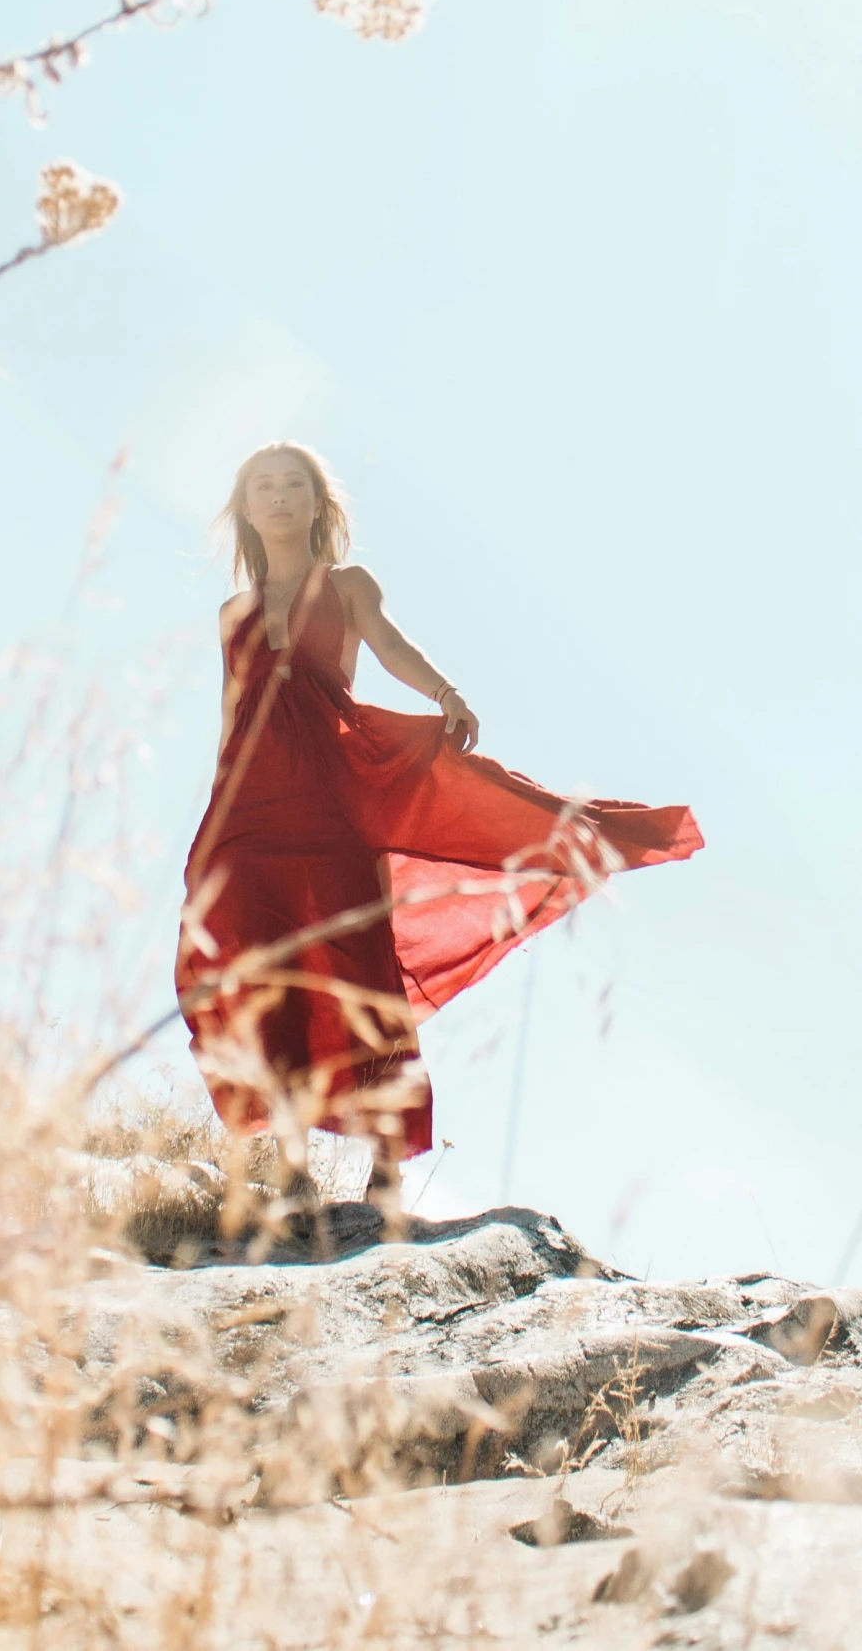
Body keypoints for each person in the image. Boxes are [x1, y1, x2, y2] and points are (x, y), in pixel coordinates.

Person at [176, 441, 702, 1205]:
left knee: (355, 967)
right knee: (262, 969)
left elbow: (389, 648)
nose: (280, 496)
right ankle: (287, 1162)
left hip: (332, 802)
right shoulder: (233, 613)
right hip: (251, 809)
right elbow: (232, 719)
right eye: (264, 486)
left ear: (317, 503)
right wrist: (211, 826)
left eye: (294, 484)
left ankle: (384, 1167)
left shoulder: (349, 585)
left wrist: (445, 691)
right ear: (246, 508)